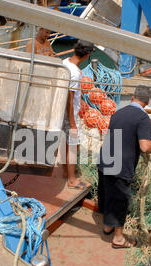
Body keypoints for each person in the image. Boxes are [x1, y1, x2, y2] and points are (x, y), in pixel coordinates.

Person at [97, 86, 151, 249]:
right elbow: (145, 147)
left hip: (106, 158)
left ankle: (107, 226)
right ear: (147, 102)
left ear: (133, 98)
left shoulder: (118, 112)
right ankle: (118, 239)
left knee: (108, 193)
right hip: (121, 165)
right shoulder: (143, 118)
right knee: (119, 200)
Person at [62, 40, 94, 189]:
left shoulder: (65, 62)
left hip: (60, 111)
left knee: (65, 144)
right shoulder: (74, 73)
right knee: (73, 146)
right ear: (87, 55)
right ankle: (72, 179)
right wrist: (73, 123)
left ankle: (65, 171)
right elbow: (69, 99)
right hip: (70, 114)